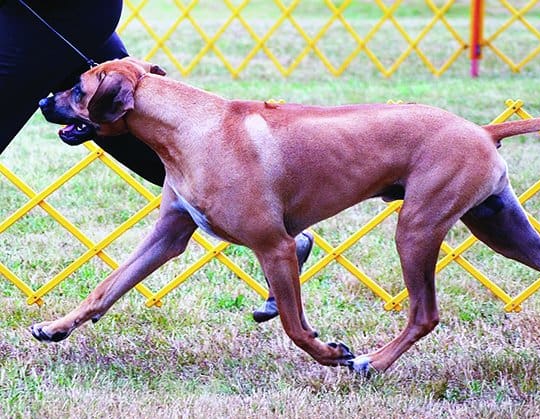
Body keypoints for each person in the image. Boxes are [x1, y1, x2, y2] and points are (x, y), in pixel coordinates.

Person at [0, 0, 310, 322]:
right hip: (46, 13)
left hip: (56, 12)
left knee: (115, 106)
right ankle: (275, 230)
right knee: (118, 115)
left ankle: (270, 229)